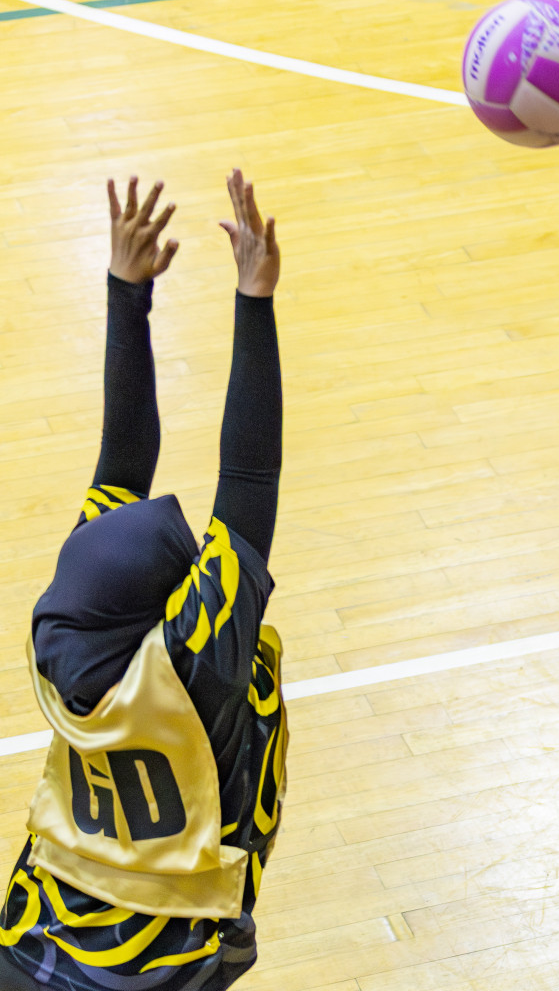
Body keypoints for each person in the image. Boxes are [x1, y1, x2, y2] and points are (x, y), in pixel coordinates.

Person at [0, 171, 289, 990]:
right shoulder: (193, 665)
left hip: (38, 934)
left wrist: (127, 293)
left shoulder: (64, 637)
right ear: (163, 611)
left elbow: (120, 462)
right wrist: (254, 300)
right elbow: (250, 474)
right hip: (153, 966)